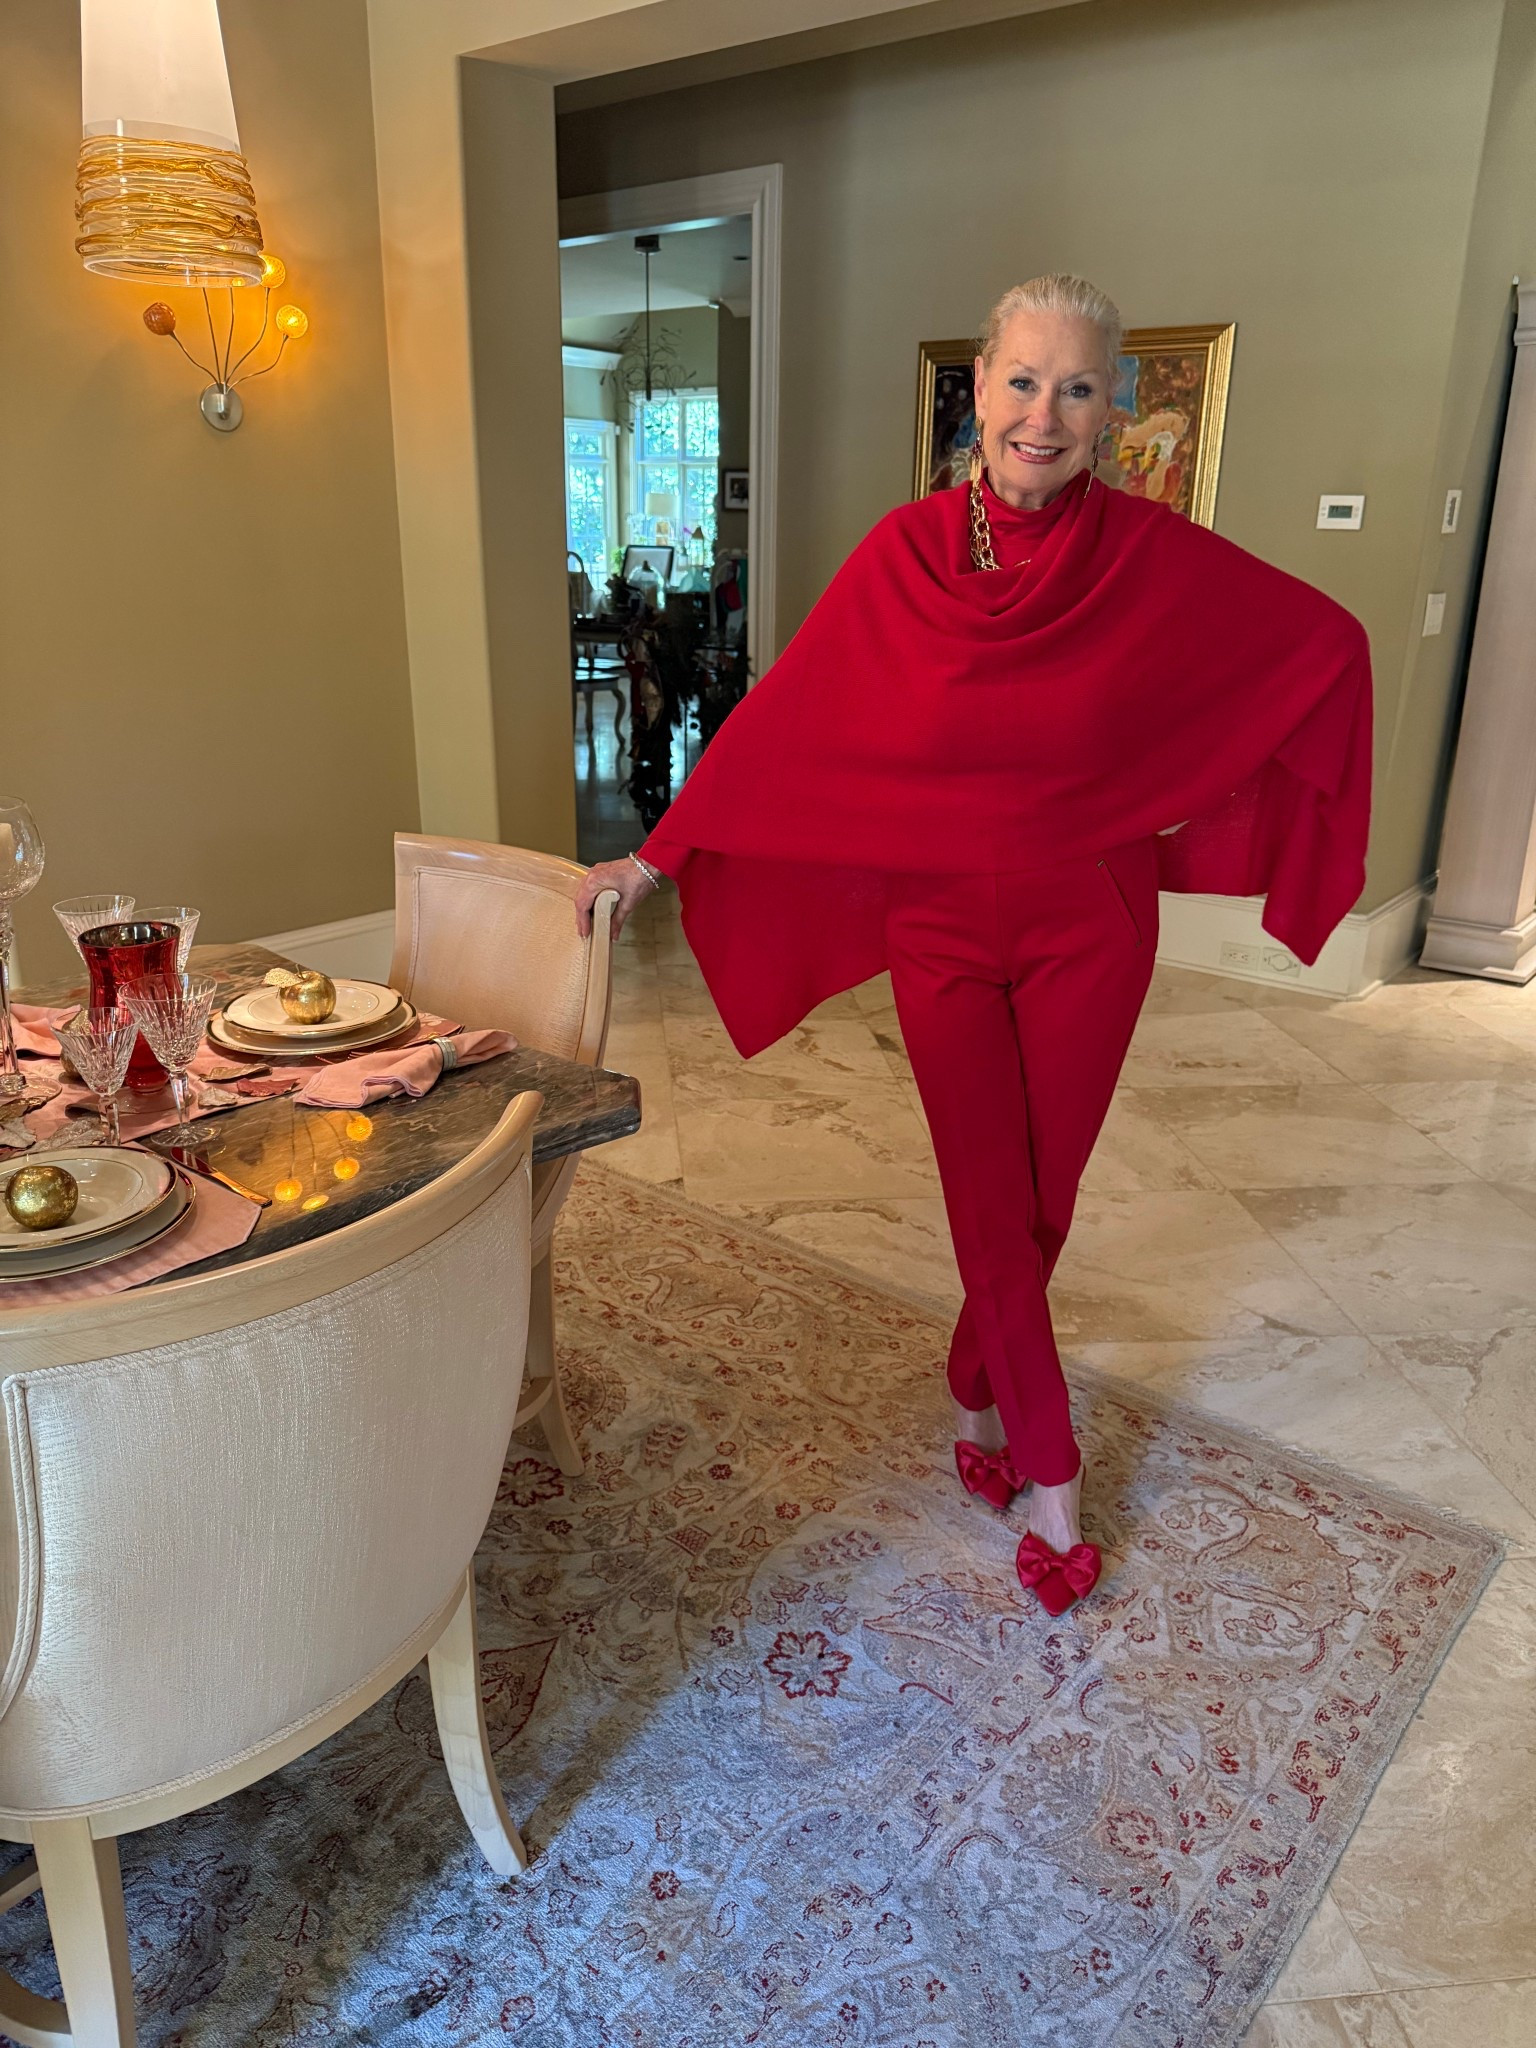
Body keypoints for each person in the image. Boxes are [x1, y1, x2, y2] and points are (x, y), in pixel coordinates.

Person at [576, 274, 1372, 1618]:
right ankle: (1048, 1474)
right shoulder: (905, 556)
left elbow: (1320, 643)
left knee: (1038, 1205)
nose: (1041, 414)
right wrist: (655, 859)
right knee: (989, 1206)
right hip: (941, 929)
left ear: (1110, 407)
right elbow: (787, 721)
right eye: (1019, 380)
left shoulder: (1151, 558)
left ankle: (975, 1383)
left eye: (1074, 387)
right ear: (978, 390)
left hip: (1095, 926)